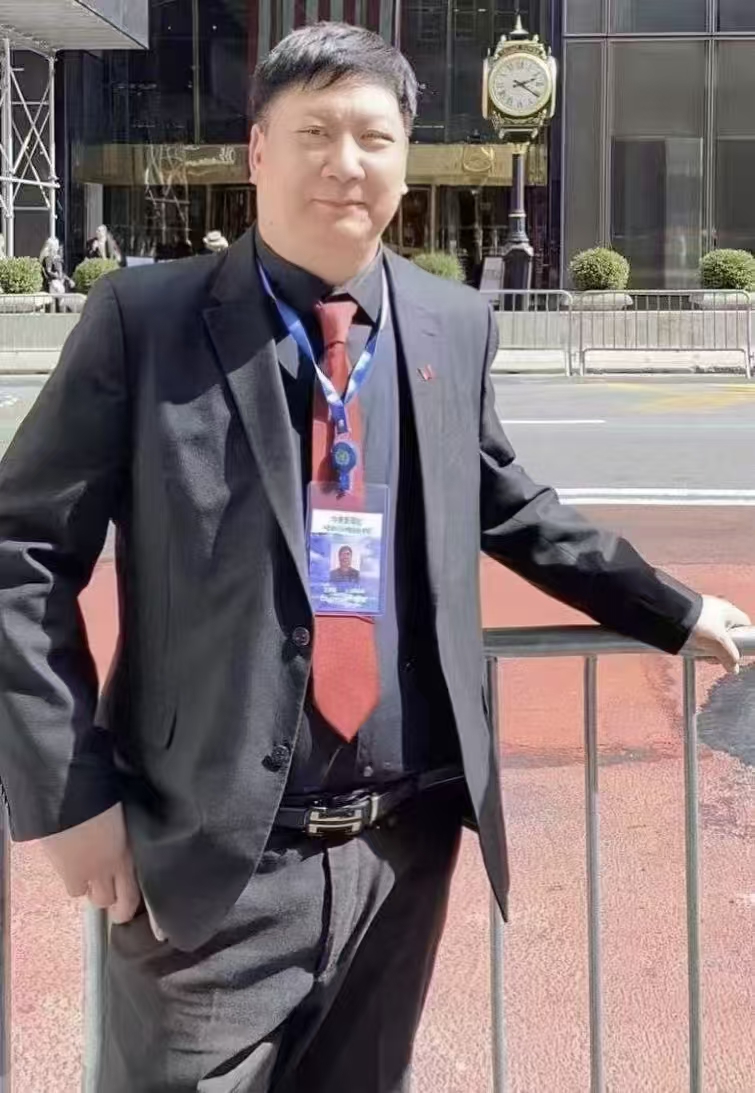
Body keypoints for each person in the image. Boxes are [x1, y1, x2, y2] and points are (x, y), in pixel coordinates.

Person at [0, 22, 748, 1093]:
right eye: (313, 132)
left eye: (372, 137)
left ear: (403, 159)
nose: (343, 163)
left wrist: (670, 609)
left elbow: (507, 504)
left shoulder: (448, 322)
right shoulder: (145, 321)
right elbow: (21, 553)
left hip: (405, 844)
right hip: (211, 857)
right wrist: (71, 798)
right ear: (258, 150)